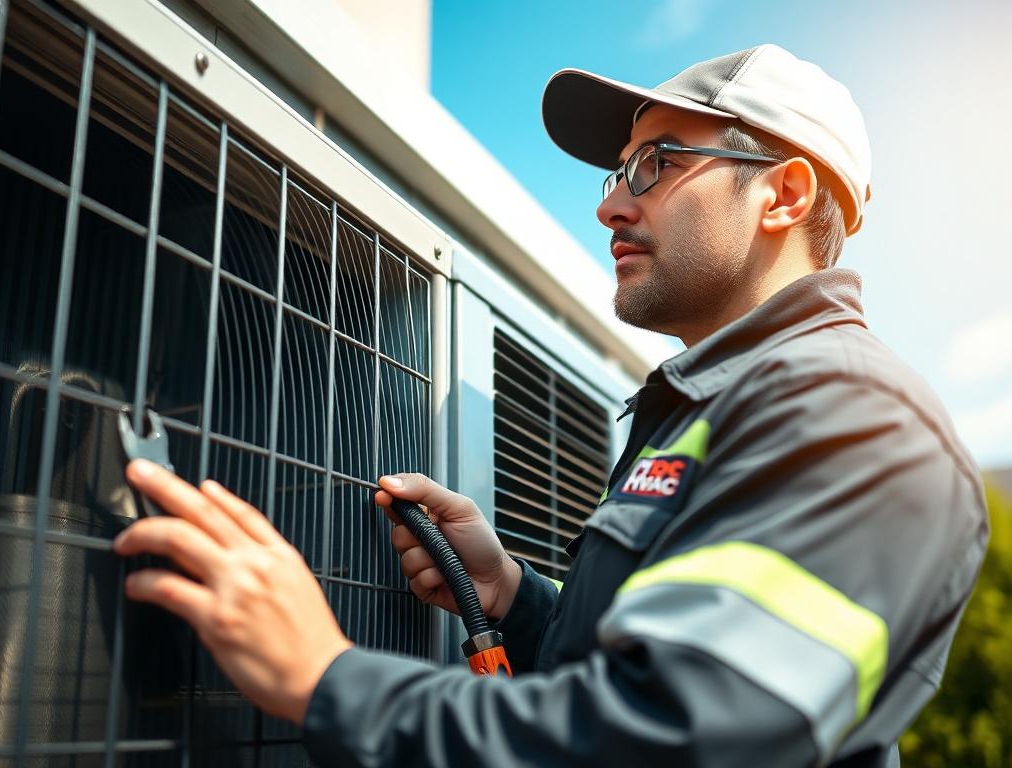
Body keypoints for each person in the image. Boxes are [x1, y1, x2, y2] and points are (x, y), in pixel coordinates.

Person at [114, 44, 989, 767]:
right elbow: (640, 661)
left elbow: (663, 742)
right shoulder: (716, 406)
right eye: (619, 170)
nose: (612, 202)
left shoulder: (854, 421)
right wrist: (509, 594)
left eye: (658, 164)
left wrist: (323, 676)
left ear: (784, 196)